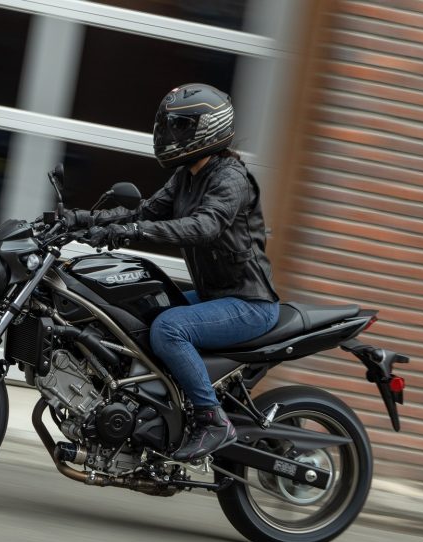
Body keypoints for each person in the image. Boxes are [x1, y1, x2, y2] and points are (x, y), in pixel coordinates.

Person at [78, 83, 280, 461]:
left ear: (208, 127)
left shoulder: (231, 178)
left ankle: (212, 420)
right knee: (134, 311)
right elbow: (143, 212)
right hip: (214, 295)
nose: (170, 135)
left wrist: (133, 232)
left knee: (168, 328)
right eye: (169, 126)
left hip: (249, 303)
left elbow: (205, 226)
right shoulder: (187, 175)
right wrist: (82, 220)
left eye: (181, 126)